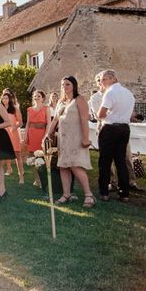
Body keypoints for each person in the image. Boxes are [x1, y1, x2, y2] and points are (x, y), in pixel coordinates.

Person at [45, 77, 95, 207]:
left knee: (75, 165)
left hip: (76, 138)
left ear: (74, 85)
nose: (64, 86)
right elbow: (55, 120)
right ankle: (66, 194)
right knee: (63, 166)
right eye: (62, 84)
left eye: (67, 84)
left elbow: (84, 120)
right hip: (63, 139)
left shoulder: (79, 100)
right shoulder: (61, 102)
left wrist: (85, 138)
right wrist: (48, 135)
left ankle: (89, 195)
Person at [97, 69, 135, 203]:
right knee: (121, 161)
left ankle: (104, 192)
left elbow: (101, 114)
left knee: (105, 161)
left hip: (111, 128)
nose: (102, 83)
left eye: (103, 79)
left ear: (113, 78)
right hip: (124, 128)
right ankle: (124, 193)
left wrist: (106, 115)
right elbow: (131, 114)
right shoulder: (129, 93)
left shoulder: (110, 93)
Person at [25, 90, 51, 187]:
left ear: (43, 98)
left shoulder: (46, 108)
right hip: (32, 133)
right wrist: (25, 135)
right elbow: (27, 123)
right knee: (32, 157)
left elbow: (49, 123)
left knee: (42, 156)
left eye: (38, 96)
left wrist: (46, 136)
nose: (36, 98)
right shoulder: (29, 109)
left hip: (42, 134)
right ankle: (36, 180)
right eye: (35, 96)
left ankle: (43, 179)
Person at [1, 91, 24, 184]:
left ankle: (21, 176)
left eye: (6, 98)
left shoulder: (14, 109)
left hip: (13, 134)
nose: (5, 100)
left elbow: (21, 122)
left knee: (17, 155)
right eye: (3, 98)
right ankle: (0, 176)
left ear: (9, 99)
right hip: (3, 134)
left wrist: (15, 127)